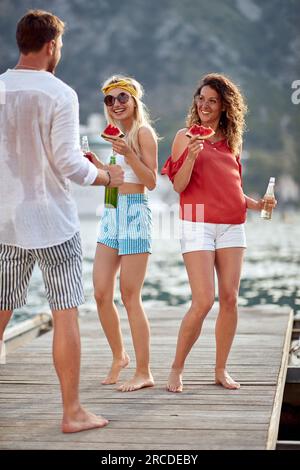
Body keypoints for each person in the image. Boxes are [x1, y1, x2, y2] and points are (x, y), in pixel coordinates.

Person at [0, 10, 124, 432]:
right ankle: (72, 412)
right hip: (52, 221)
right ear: (51, 45)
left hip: (6, 221)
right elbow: (70, 164)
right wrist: (107, 175)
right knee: (65, 314)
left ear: (22, 42)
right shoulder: (59, 93)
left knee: (0, 309)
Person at [161, 73, 277, 392]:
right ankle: (176, 368)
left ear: (224, 106)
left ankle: (221, 369)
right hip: (196, 222)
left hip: (232, 225)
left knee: (230, 298)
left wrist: (260, 204)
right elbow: (179, 185)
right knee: (203, 300)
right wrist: (192, 155)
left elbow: (233, 190)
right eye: (201, 98)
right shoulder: (185, 136)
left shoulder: (231, 142)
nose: (205, 105)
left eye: (212, 100)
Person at [90, 75, 158, 392]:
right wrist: (98, 165)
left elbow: (150, 180)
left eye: (122, 98)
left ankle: (144, 371)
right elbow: (117, 178)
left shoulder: (143, 133)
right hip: (111, 210)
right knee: (101, 292)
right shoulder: (116, 135)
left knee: (130, 296)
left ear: (133, 101)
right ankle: (120, 356)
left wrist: (129, 153)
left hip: (133, 212)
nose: (116, 104)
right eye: (110, 100)